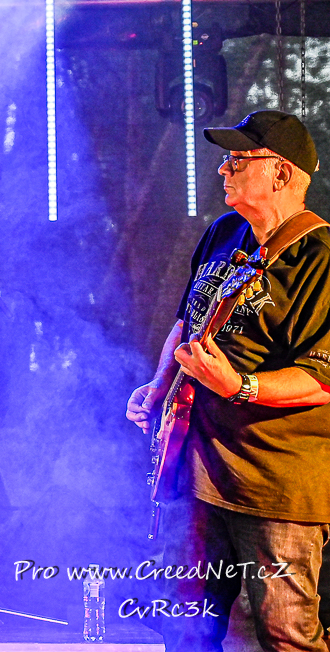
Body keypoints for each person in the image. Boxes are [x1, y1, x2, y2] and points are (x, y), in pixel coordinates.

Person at [125, 110, 330, 651]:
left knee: (285, 633)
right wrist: (161, 385)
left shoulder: (321, 257)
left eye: (238, 159)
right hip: (198, 469)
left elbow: (321, 378)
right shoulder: (223, 232)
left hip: (275, 481)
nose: (223, 169)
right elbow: (187, 322)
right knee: (186, 626)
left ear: (281, 173)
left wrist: (239, 385)